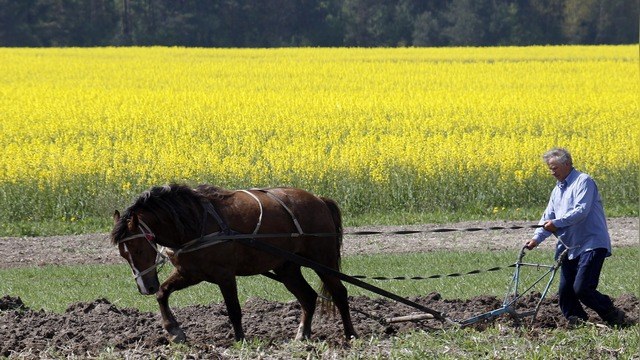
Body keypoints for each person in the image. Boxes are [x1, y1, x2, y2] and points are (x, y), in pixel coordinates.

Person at [524, 147, 626, 327]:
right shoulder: (557, 190)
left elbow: (581, 211)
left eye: (554, 168)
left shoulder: (583, 181)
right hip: (569, 247)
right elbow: (548, 217)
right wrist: (536, 239)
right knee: (565, 293)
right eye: (549, 168)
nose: (551, 172)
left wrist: (557, 223)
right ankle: (578, 322)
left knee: (582, 288)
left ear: (567, 164)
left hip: (591, 243)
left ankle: (613, 314)